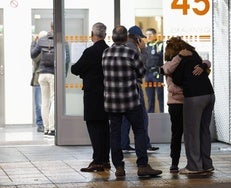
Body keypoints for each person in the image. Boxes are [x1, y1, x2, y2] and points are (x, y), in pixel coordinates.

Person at [102, 25, 162, 177]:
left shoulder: (106, 53)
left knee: (114, 134)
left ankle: (119, 168)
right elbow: (141, 72)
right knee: (139, 130)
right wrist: (142, 51)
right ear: (126, 37)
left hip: (112, 102)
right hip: (130, 100)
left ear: (113, 37)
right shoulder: (130, 52)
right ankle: (142, 166)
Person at [161, 36, 211, 173]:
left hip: (192, 101)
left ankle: (197, 164)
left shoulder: (191, 60)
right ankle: (175, 163)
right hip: (177, 103)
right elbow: (169, 83)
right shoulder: (172, 64)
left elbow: (206, 62)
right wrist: (188, 88)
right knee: (178, 134)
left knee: (194, 134)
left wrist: (204, 65)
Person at [71, 22, 110, 172]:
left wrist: (85, 73)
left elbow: (75, 69)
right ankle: (106, 160)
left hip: (93, 95)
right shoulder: (108, 50)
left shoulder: (90, 52)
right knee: (105, 127)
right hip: (108, 94)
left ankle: (97, 161)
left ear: (92, 35)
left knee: (94, 127)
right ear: (105, 35)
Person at [121, 26, 159, 152]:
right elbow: (142, 67)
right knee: (142, 117)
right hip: (134, 87)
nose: (142, 40)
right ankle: (145, 145)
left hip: (124, 88)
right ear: (136, 38)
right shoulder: (133, 48)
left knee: (126, 118)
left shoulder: (123, 47)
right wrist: (143, 50)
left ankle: (124, 144)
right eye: (140, 38)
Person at [31, 22, 70, 136]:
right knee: (54, 100)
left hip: (42, 74)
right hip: (54, 74)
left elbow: (33, 55)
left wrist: (34, 41)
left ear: (50, 28)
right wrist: (63, 75)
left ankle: (46, 128)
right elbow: (66, 60)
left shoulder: (41, 40)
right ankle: (52, 128)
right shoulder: (62, 41)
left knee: (45, 102)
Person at [30, 31, 47, 132]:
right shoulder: (45, 49)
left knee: (39, 104)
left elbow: (34, 58)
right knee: (41, 103)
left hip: (39, 79)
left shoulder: (41, 50)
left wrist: (33, 43)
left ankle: (41, 124)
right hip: (38, 80)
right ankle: (41, 124)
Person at [145, 28, 164, 113]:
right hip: (148, 74)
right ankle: (150, 114)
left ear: (155, 35)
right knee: (150, 96)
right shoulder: (145, 46)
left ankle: (162, 113)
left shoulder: (159, 45)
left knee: (160, 95)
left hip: (157, 74)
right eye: (147, 35)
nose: (148, 36)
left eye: (150, 34)